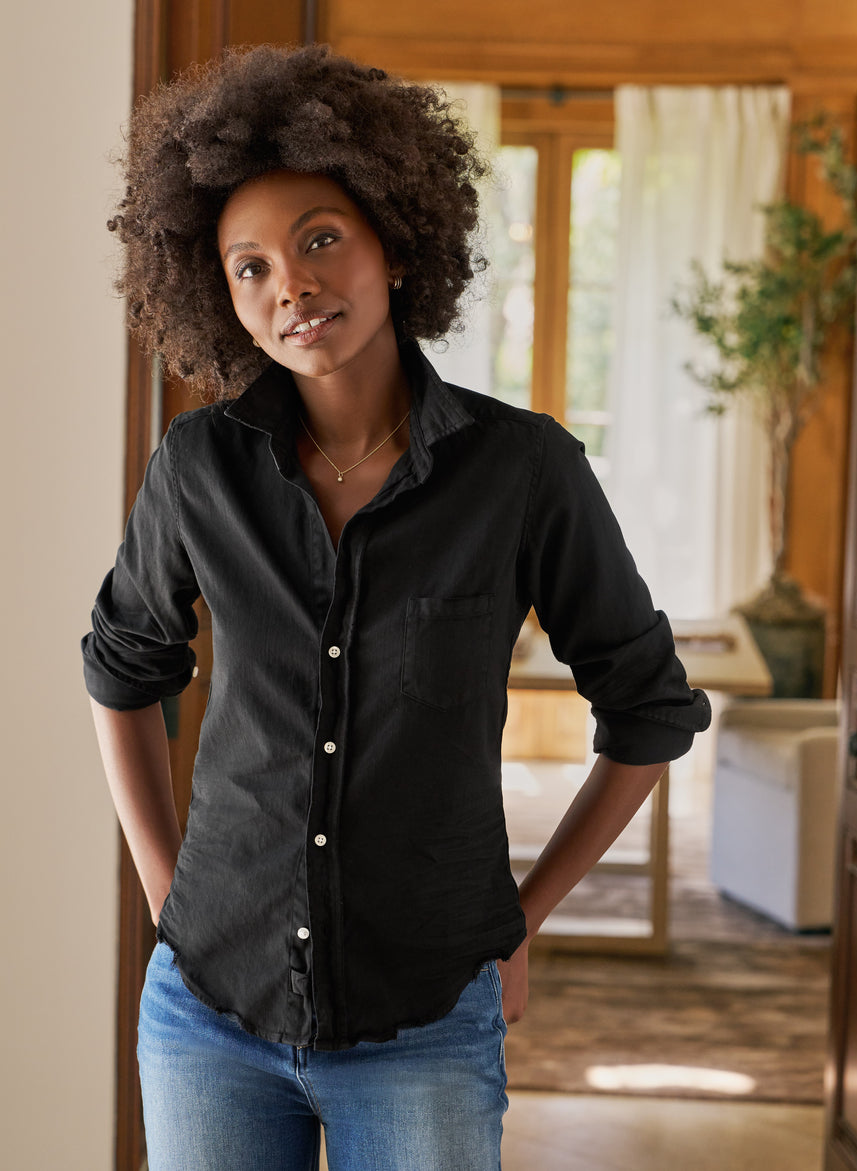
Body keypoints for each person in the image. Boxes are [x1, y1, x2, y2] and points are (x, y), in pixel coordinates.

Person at [83, 43, 711, 1171]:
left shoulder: (525, 472)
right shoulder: (198, 467)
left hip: (425, 1017)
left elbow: (649, 709)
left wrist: (525, 915)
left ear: (392, 236)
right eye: (250, 267)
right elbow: (122, 673)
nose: (292, 287)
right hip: (207, 1016)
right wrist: (170, 898)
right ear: (218, 295)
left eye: (320, 239)